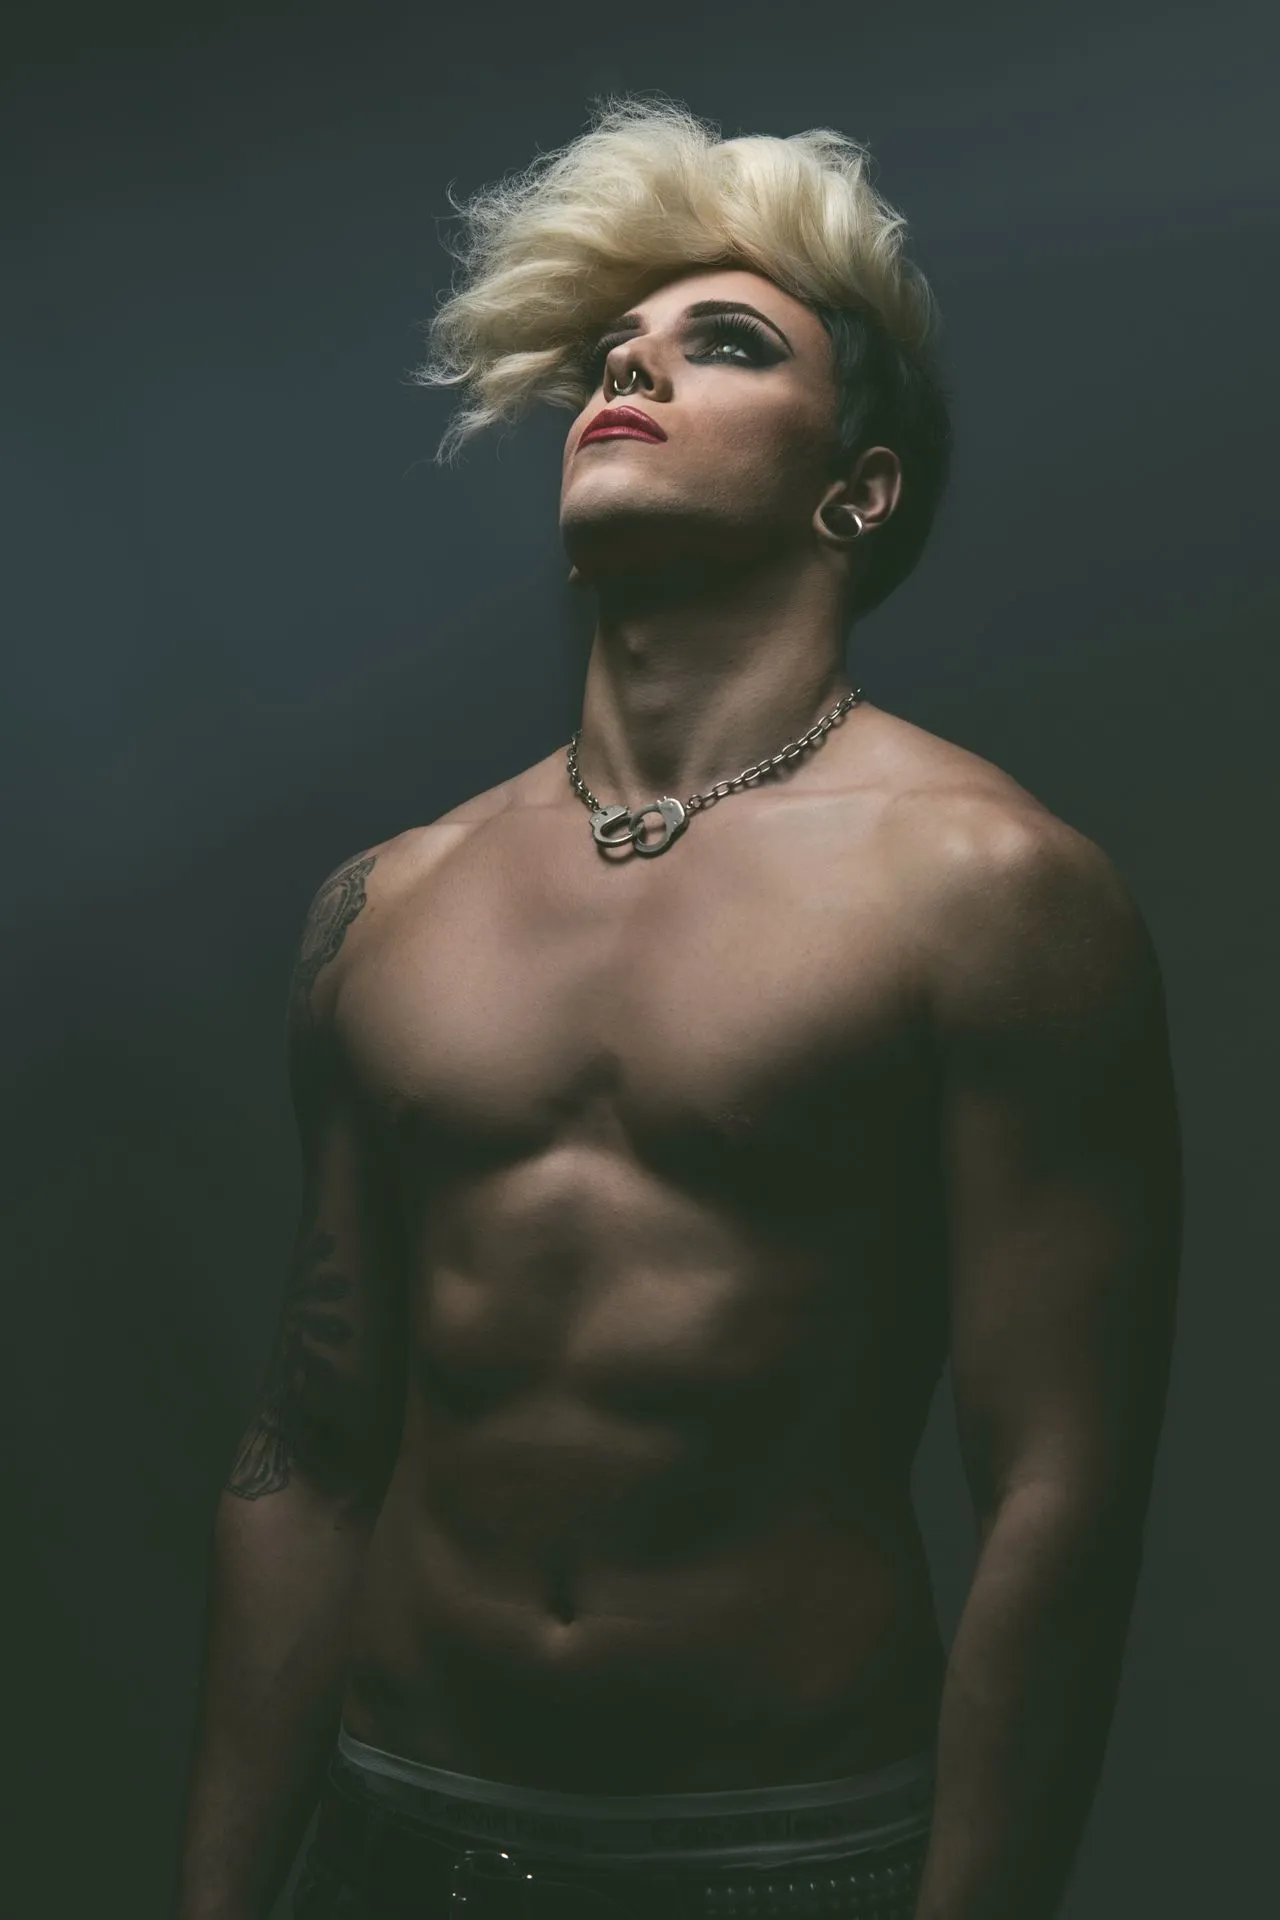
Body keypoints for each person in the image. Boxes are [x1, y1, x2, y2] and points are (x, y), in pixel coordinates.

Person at [171, 99, 1181, 1920]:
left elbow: (1060, 1493)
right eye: (613, 353)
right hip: (399, 1843)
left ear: (856, 491)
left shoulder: (990, 887)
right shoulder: (391, 906)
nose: (630, 369)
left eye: (725, 344)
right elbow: (311, 1455)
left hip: (784, 1859)